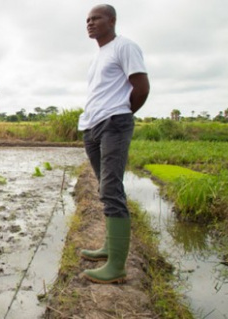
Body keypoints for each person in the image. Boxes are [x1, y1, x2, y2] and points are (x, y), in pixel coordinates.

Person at [78, 4, 150, 284]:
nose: (90, 23)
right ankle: (109, 247)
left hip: (114, 124)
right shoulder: (97, 56)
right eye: (87, 20)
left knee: (111, 188)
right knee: (104, 186)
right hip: (92, 127)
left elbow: (141, 88)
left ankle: (117, 266)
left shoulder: (125, 47)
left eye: (96, 18)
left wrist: (121, 114)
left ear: (112, 20)